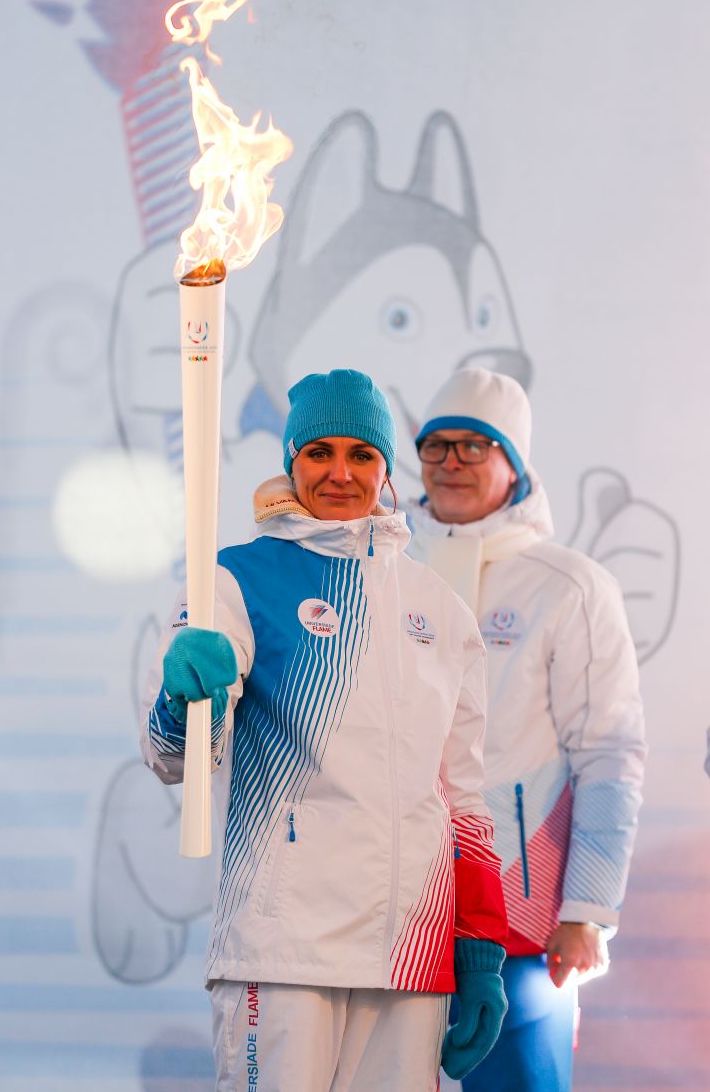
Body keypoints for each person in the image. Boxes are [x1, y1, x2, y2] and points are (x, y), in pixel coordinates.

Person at [141, 368, 509, 1092]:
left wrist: (479, 951)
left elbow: (464, 800)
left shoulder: (441, 609)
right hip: (285, 951)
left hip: (411, 958)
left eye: (360, 454)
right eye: (319, 452)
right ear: (292, 461)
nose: (340, 473)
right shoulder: (236, 580)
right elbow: (173, 757)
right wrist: (183, 698)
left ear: (386, 467)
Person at [405, 366, 646, 1092]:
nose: (450, 462)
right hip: (392, 913)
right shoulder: (383, 569)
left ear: (513, 462)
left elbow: (609, 755)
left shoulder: (569, 586)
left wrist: (588, 910)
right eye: (435, 444)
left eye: (474, 445)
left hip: (519, 921)